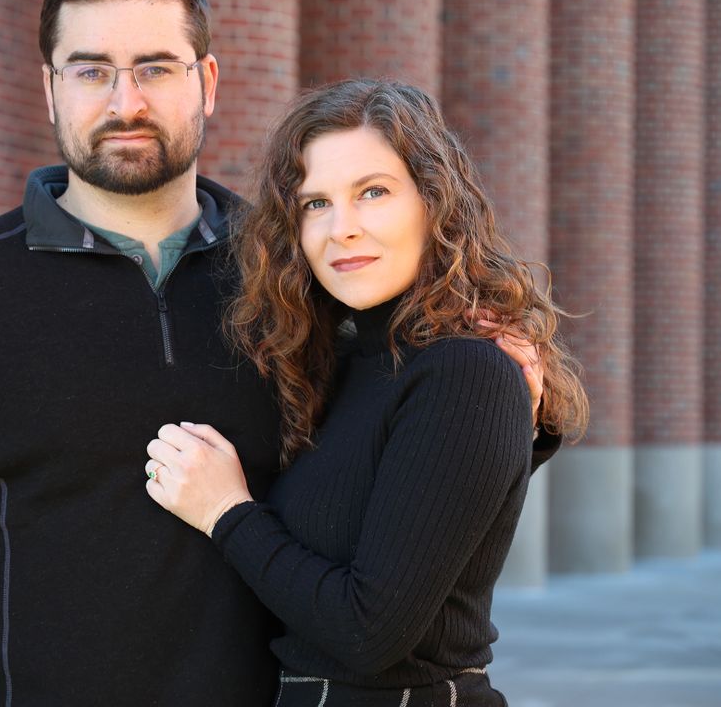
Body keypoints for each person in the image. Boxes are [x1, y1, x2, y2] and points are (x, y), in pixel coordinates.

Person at [0, 0, 551, 707]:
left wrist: (517, 390)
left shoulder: (301, 277)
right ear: (51, 90)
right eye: (91, 71)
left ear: (208, 82)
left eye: (157, 68)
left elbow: (411, 445)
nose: (126, 102)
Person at [144, 79, 589, 705]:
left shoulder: (464, 370)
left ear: (433, 203)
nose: (341, 229)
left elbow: (366, 631)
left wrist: (225, 512)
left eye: (372, 193)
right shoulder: (351, 361)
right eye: (315, 204)